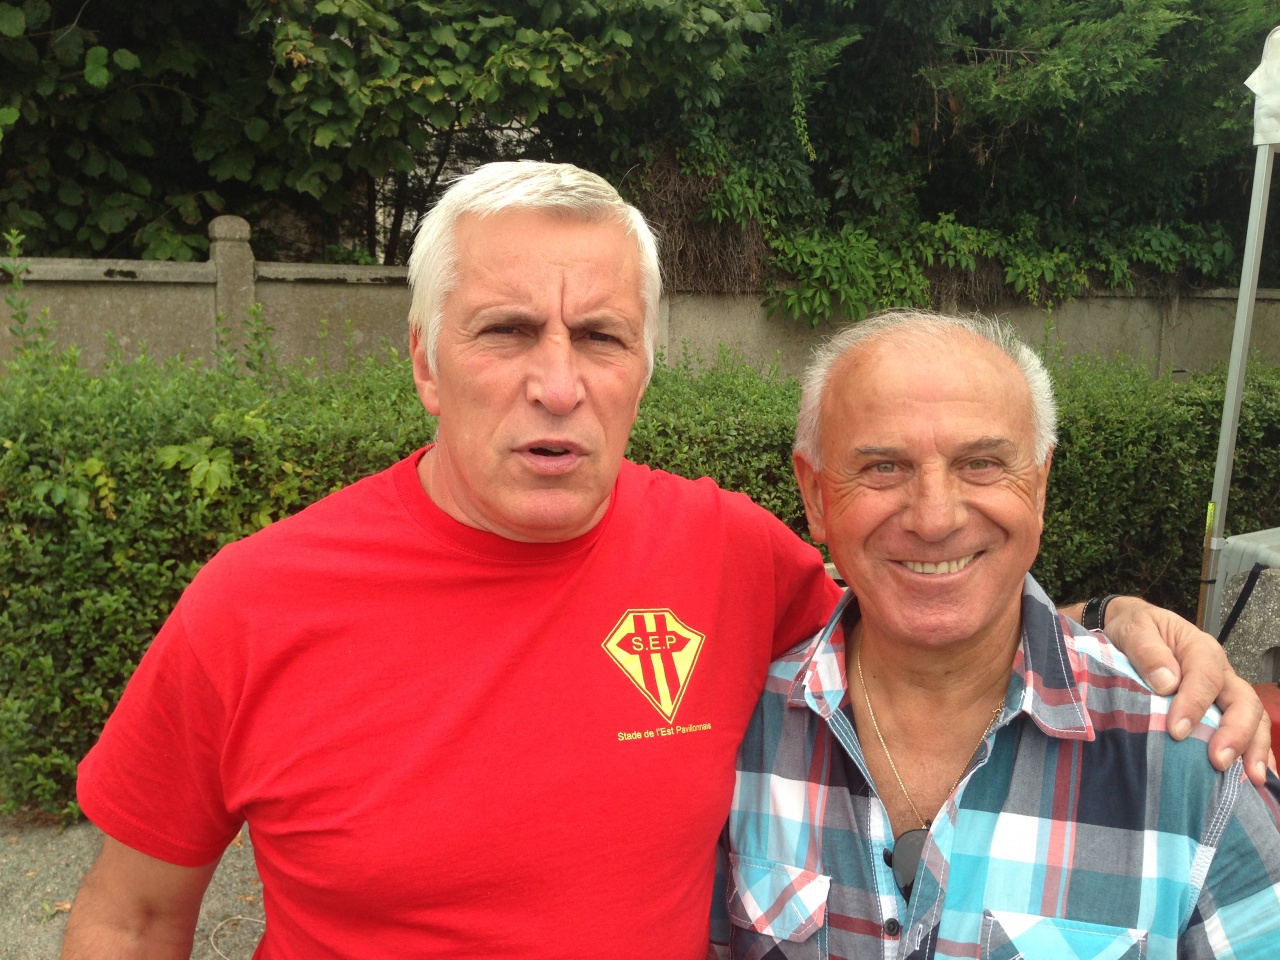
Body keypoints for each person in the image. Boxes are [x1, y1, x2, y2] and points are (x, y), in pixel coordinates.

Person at [62, 164, 1269, 959]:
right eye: (505, 332)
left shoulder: (725, 553)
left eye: (599, 335)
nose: (556, 382)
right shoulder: (255, 604)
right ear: (424, 360)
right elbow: (130, 920)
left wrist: (1114, 619)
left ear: (643, 364)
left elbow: (926, 593)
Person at [714, 309, 1280, 959]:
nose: (934, 518)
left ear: (1038, 486)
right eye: (883, 467)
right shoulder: (741, 733)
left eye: (980, 463)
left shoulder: (1190, 764)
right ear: (815, 496)